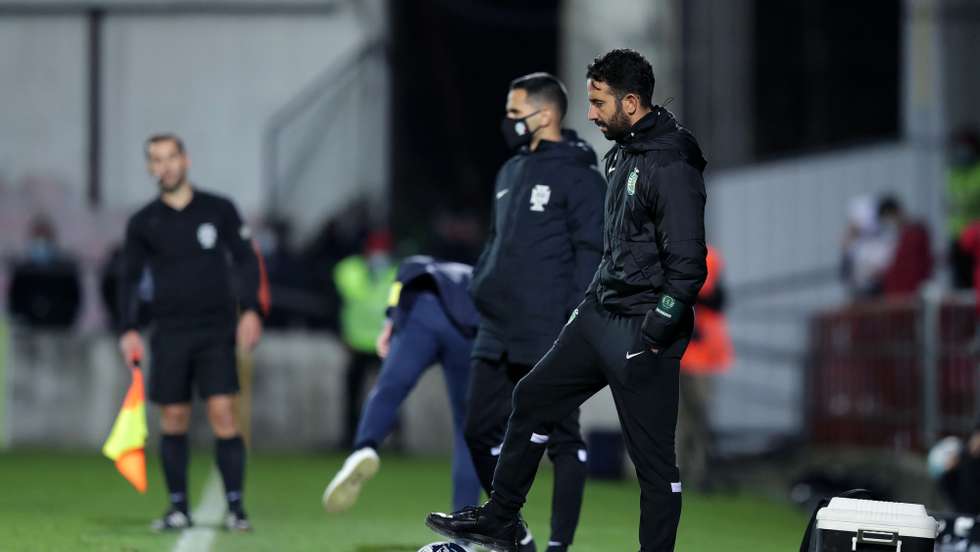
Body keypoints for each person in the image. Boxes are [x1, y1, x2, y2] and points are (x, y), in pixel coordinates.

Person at [426, 49, 707, 552]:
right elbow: (618, 244)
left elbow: (689, 266)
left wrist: (656, 330)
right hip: (601, 314)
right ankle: (501, 520)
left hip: (642, 329)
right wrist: (589, 304)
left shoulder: (671, 162)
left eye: (599, 103)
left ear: (632, 102)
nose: (591, 114)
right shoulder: (624, 151)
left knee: (654, 468)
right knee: (532, 398)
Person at [463, 72, 606, 552]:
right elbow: (494, 241)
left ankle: (558, 546)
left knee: (562, 440)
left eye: (513, 112)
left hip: (548, 328)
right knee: (477, 428)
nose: (507, 121)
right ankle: (513, 531)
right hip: (497, 326)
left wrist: (573, 319)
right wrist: (482, 286)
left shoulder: (581, 177)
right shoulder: (508, 172)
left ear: (544, 115)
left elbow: (592, 253)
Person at [118, 134, 263, 532]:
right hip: (169, 331)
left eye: (170, 157)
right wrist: (128, 327)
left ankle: (236, 508)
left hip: (215, 329)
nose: (164, 166)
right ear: (150, 168)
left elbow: (247, 260)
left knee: (222, 413)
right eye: (155, 160)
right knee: (174, 417)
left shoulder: (219, 209)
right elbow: (129, 278)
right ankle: (178, 507)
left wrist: (251, 309)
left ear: (185, 160)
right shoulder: (144, 221)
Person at [322, 255, 481, 514]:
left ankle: (365, 446)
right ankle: (464, 521)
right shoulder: (481, 276)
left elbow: (400, 286)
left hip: (424, 315)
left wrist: (390, 321)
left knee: (390, 388)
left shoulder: (417, 266)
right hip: (468, 332)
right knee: (467, 429)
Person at [333, 231, 397, 447]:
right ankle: (351, 438)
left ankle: (393, 439)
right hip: (357, 344)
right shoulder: (351, 270)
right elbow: (353, 294)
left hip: (384, 344)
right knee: (354, 396)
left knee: (390, 394)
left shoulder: (394, 274)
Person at [677, 245, 732, 492]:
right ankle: (689, 473)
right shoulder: (700, 255)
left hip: (696, 355)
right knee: (689, 419)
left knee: (695, 418)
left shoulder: (704, 257)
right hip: (688, 354)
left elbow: (712, 296)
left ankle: (695, 474)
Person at [7, 215, 82, 329]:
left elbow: (73, 301)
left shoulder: (65, 271)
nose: (41, 242)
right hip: (28, 331)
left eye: (45, 237)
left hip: (59, 330)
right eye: (37, 236)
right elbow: (14, 302)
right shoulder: (22, 271)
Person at [877, 195, 932, 298]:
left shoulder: (916, 232)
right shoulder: (897, 236)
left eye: (888, 218)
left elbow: (920, 265)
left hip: (911, 293)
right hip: (895, 294)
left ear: (895, 212)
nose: (888, 223)